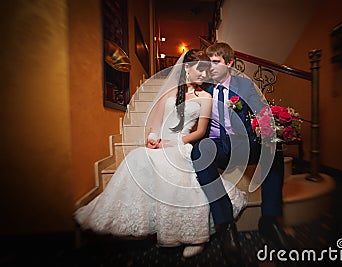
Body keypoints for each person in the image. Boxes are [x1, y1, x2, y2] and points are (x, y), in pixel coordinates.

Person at [74, 49, 247, 258]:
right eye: (199, 70)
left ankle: (193, 236)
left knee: (176, 171)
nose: (203, 75)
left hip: (181, 144)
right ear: (186, 68)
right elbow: (155, 124)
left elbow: (200, 132)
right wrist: (153, 138)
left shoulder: (206, 97)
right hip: (161, 144)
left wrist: (173, 143)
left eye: (206, 72)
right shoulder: (170, 93)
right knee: (137, 157)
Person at [191, 42, 287, 264]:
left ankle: (270, 219)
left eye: (216, 62)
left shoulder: (245, 86)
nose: (211, 67)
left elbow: (262, 113)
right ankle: (225, 225)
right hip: (218, 145)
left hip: (245, 144)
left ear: (230, 63)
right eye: (209, 62)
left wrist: (271, 128)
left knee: (275, 148)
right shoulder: (202, 88)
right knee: (199, 152)